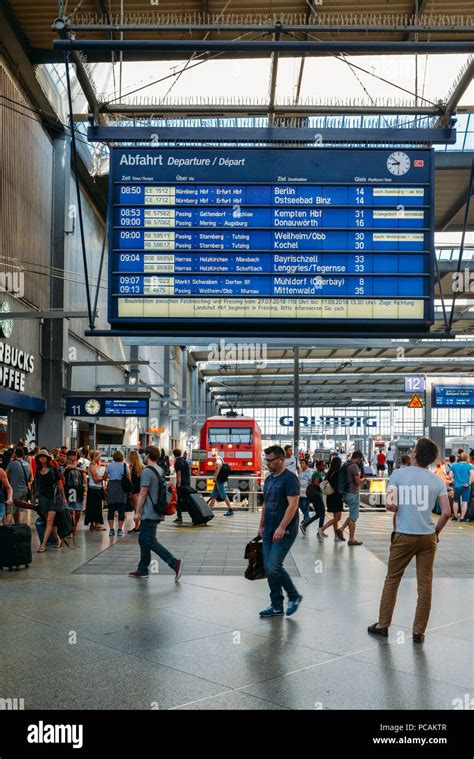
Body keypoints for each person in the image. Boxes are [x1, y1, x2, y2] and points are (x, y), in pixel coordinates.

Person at [368, 437, 451, 643]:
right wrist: (436, 533)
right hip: (427, 537)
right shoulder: (437, 480)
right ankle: (418, 632)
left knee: (392, 580)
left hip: (404, 535)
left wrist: (398, 505)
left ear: (414, 454)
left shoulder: (398, 474)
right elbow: (447, 513)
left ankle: (383, 625)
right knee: (425, 585)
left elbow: (390, 505)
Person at [257, 445, 302, 618]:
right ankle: (276, 605)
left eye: (270, 460)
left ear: (281, 460)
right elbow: (266, 504)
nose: (267, 463)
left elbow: (293, 505)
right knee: (269, 568)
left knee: (274, 566)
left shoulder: (290, 479)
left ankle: (294, 596)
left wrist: (282, 527)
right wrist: (261, 525)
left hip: (285, 530)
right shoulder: (268, 479)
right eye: (266, 460)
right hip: (268, 529)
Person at [129, 445, 183, 581]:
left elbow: (143, 493)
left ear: (147, 455)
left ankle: (174, 563)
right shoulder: (160, 469)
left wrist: (137, 512)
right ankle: (142, 569)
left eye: (144, 455)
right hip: (158, 508)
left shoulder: (147, 471)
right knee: (143, 540)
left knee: (150, 541)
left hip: (149, 511)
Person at [34, 449, 67, 552]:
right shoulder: (38, 471)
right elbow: (36, 485)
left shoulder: (53, 469)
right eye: (40, 456)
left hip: (54, 497)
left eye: (44, 456)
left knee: (49, 520)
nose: (42, 458)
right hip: (42, 497)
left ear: (48, 458)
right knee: (48, 521)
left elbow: (59, 484)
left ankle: (43, 544)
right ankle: (57, 539)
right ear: (38, 459)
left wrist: (64, 497)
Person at [339, 450, 366, 546]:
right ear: (358, 458)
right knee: (353, 518)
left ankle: (341, 529)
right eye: (360, 459)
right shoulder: (354, 466)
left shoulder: (346, 464)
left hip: (345, 493)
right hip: (353, 494)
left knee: (352, 515)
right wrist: (364, 479)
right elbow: (358, 481)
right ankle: (351, 539)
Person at [103, 450, 130, 537]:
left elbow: (104, 477)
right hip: (121, 486)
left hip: (111, 486)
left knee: (111, 508)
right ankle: (119, 529)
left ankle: (111, 529)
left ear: (113, 457)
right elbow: (129, 479)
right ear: (122, 457)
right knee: (121, 508)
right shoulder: (125, 466)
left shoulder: (110, 466)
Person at [319, 456, 346, 542]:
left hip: (330, 497)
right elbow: (338, 486)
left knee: (335, 517)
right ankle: (322, 529)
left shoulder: (329, 472)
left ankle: (336, 536)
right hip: (336, 497)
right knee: (338, 518)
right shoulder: (338, 473)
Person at [300, 459, 327, 541]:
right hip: (316, 495)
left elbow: (311, 482)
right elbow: (315, 483)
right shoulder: (318, 473)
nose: (324, 466)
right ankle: (320, 531)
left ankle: (305, 525)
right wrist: (324, 485)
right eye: (322, 465)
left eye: (324, 465)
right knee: (322, 513)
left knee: (318, 514)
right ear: (318, 466)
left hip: (312, 495)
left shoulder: (315, 473)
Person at [63, 449, 87, 536]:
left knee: (77, 510)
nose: (72, 457)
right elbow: (60, 475)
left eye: (74, 455)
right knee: (69, 510)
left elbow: (85, 474)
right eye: (70, 455)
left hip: (79, 490)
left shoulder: (80, 465)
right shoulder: (65, 465)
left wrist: (85, 489)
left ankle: (75, 526)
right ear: (68, 457)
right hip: (68, 490)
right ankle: (70, 527)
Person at [5, 447, 31, 525]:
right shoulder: (27, 464)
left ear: (15, 454)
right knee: (22, 510)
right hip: (25, 490)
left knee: (10, 511)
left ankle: (6, 530)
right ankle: (20, 528)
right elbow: (29, 477)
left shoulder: (12, 464)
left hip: (14, 491)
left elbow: (5, 474)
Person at [84, 450, 106, 531]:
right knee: (96, 507)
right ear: (94, 457)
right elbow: (96, 479)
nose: (100, 458)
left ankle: (93, 523)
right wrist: (104, 476)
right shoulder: (92, 466)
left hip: (96, 488)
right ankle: (96, 524)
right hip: (94, 489)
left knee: (93, 506)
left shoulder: (95, 465)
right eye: (98, 456)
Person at [450, 452, 474, 522]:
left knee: (455, 501)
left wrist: (454, 479)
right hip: (466, 486)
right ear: (466, 458)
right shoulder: (469, 466)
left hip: (457, 486)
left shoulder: (454, 466)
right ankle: (462, 518)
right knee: (465, 502)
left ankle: (455, 516)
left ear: (459, 458)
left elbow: (450, 476)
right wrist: (469, 483)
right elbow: (473, 475)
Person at [208, 451, 234, 516]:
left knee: (223, 494)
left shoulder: (218, 459)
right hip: (219, 479)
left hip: (219, 479)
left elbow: (218, 468)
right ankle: (210, 510)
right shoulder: (220, 458)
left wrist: (215, 477)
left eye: (213, 451)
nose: (211, 452)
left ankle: (230, 510)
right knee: (214, 494)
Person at [173, 448, 191, 525]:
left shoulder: (177, 462)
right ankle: (194, 516)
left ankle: (179, 517)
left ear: (174, 455)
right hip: (187, 483)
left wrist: (178, 485)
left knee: (179, 501)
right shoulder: (185, 461)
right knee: (187, 501)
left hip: (181, 484)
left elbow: (179, 475)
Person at [127, 449, 144, 534]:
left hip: (134, 491)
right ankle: (141, 526)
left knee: (136, 510)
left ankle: (137, 526)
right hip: (141, 491)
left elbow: (129, 480)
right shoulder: (142, 467)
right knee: (141, 509)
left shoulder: (130, 467)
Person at [297, 456, 312, 524]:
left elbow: (311, 481)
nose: (301, 464)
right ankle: (307, 517)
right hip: (300, 490)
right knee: (300, 504)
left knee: (305, 504)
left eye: (303, 463)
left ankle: (306, 519)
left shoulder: (309, 471)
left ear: (306, 464)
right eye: (301, 463)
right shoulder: (300, 471)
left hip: (306, 490)